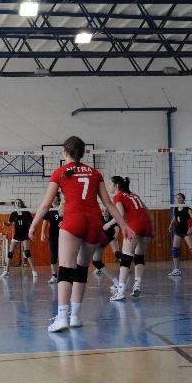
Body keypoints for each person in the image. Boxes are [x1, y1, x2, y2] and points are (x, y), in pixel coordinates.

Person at [29, 136, 134, 330]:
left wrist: (33, 225)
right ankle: (75, 316)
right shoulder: (95, 173)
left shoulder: (60, 172)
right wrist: (124, 225)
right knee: (82, 268)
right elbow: (108, 204)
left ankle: (62, 317)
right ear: (83, 153)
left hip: (73, 220)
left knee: (66, 268)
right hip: (94, 222)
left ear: (65, 152)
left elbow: (45, 205)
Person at [109, 175, 154, 301]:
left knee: (126, 259)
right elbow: (148, 211)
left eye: (111, 184)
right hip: (146, 225)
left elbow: (121, 213)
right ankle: (137, 286)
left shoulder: (118, 196)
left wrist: (108, 224)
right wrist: (152, 228)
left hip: (134, 225)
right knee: (139, 257)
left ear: (116, 185)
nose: (109, 187)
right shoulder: (134, 195)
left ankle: (120, 292)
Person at [0, 199, 38, 280]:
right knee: (10, 253)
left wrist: (32, 233)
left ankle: (34, 271)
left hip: (25, 236)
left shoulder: (27, 213)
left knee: (27, 253)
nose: (17, 204)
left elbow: (32, 224)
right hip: (16, 235)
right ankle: (6, 271)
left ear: (21, 204)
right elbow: (9, 223)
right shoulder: (13, 214)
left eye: (19, 202)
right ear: (15, 205)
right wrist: (5, 224)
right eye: (16, 203)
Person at [91, 210, 121, 277]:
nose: (104, 213)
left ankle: (125, 266)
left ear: (108, 212)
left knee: (117, 253)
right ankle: (99, 269)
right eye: (103, 211)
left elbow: (116, 228)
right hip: (102, 239)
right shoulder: (100, 218)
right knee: (97, 257)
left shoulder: (111, 219)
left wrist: (116, 234)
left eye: (106, 211)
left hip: (111, 238)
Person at [40, 194, 61, 284]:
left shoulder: (62, 208)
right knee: (53, 256)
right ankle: (54, 276)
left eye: (55, 198)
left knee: (63, 256)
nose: (54, 200)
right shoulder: (49, 209)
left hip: (63, 235)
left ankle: (64, 276)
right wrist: (42, 233)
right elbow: (45, 222)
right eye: (53, 198)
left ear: (58, 199)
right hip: (52, 236)